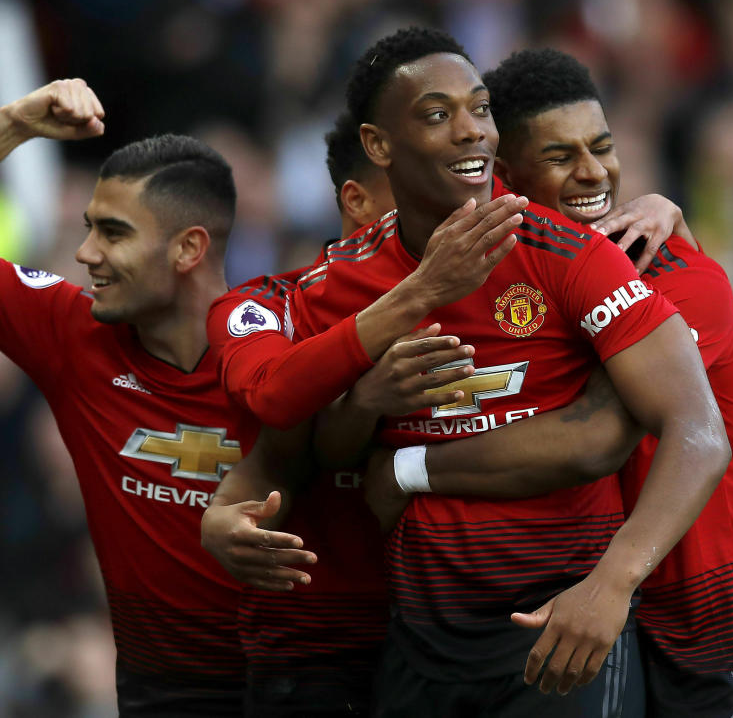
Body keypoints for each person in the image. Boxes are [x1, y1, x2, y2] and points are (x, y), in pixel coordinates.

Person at [273, 27, 729, 716]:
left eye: (479, 110)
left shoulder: (582, 258)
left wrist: (611, 582)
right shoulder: (340, 280)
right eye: (437, 114)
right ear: (378, 147)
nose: (469, 132)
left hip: (575, 629)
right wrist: (364, 401)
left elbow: (671, 431)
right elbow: (316, 452)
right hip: (417, 645)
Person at [0, 79, 259, 716]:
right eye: (87, 229)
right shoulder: (73, 331)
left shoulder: (293, 354)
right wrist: (10, 125)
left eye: (113, 233)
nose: (85, 254)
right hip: (152, 694)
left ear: (189, 248)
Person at [202, 111, 527, 716]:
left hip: (462, 646)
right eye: (421, 184)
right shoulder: (267, 305)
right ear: (358, 200)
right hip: (317, 653)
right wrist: (219, 515)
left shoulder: (519, 303)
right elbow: (274, 411)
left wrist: (662, 213)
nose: (459, 202)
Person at [483, 48, 733, 717]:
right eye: (560, 156)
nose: (593, 171)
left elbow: (599, 434)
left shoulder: (683, 277)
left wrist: (411, 468)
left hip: (695, 613)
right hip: (571, 609)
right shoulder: (497, 285)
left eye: (602, 147)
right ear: (504, 175)